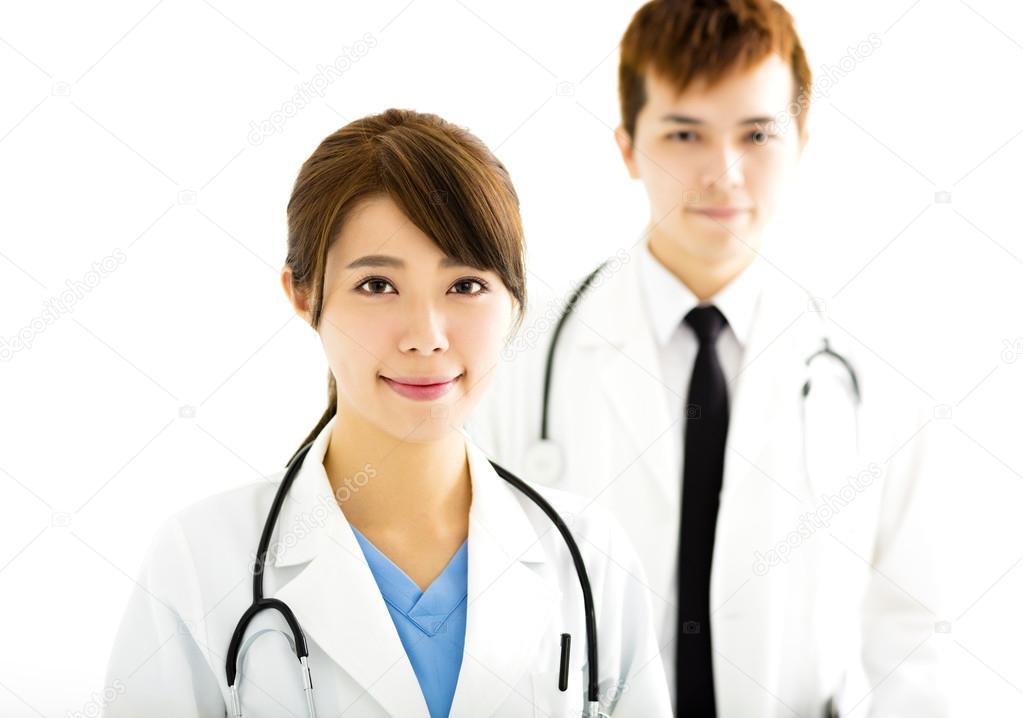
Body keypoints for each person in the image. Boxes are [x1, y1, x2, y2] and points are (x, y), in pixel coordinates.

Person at [102, 109, 672, 717]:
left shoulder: (590, 559)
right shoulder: (199, 560)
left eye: (465, 285)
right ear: (302, 295)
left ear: (514, 298)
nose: (426, 336)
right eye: (377, 284)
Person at [466, 1, 948, 716]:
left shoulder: (879, 374)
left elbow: (914, 638)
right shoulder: (513, 354)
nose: (722, 173)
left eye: (756, 133)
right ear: (627, 145)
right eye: (684, 133)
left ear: (801, 140)